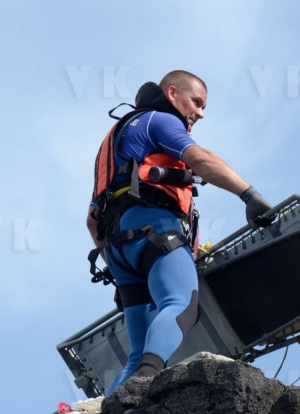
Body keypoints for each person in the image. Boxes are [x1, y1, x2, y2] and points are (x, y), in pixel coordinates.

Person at [88, 70, 273, 395]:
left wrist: (118, 270)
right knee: (182, 305)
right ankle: (144, 383)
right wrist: (249, 196)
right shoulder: (160, 120)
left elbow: (92, 220)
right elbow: (200, 159)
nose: (200, 113)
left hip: (118, 249)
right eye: (197, 102)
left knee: (137, 351)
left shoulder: (115, 140)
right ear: (173, 93)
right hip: (154, 231)